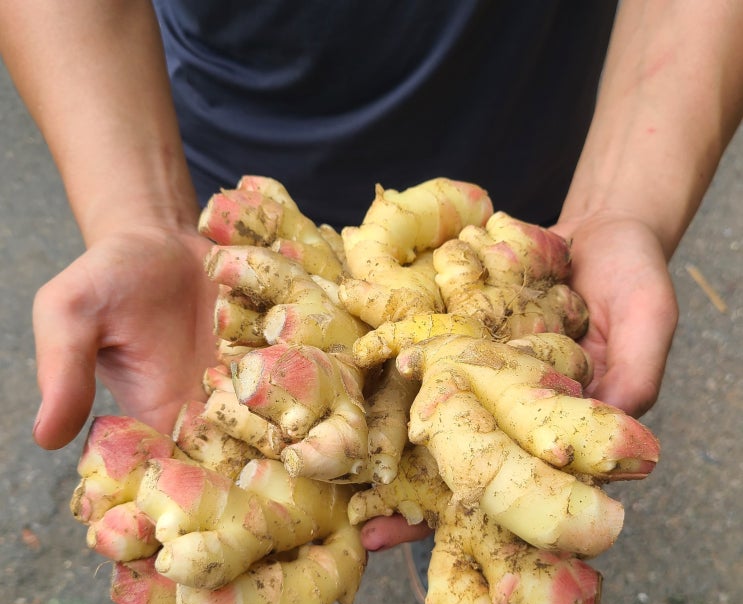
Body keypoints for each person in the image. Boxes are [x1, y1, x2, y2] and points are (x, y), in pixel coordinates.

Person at [1, 0, 742, 559]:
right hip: (239, 186)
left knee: (457, 439)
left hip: (537, 160)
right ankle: (444, 509)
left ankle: (461, 520)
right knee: (382, 470)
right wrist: (144, 212)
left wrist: (619, 201)